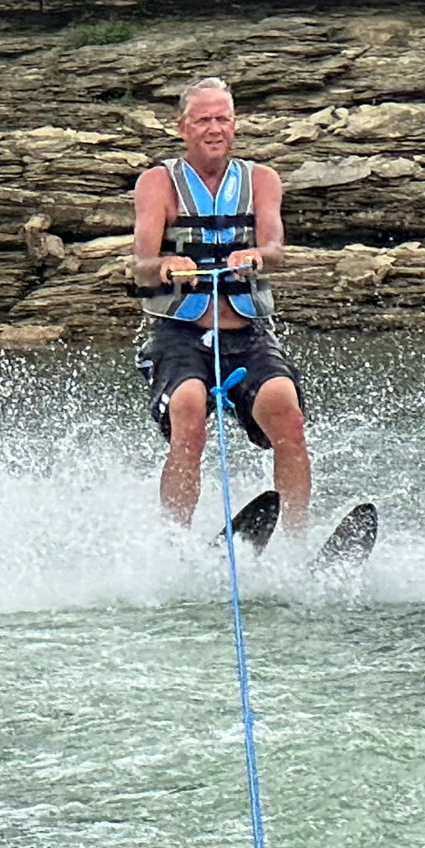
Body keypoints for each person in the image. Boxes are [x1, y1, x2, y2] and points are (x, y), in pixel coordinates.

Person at [132, 76, 311, 537]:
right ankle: (175, 542)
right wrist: (166, 263)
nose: (215, 128)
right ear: (182, 127)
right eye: (203, 119)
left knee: (287, 414)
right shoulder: (157, 183)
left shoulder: (261, 180)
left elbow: (275, 249)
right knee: (188, 413)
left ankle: (295, 539)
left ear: (235, 124)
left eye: (223, 119)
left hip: (247, 333)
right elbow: (141, 265)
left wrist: (256, 257)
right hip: (181, 335)